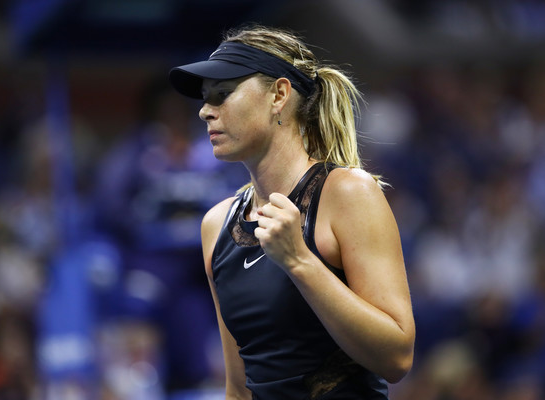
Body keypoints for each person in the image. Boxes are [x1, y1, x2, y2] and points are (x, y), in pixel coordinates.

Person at [169, 24, 415, 399]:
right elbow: (238, 388)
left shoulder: (349, 193)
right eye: (205, 99)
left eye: (222, 94)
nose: (205, 111)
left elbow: (397, 357)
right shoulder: (217, 225)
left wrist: (299, 261)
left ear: (279, 95)